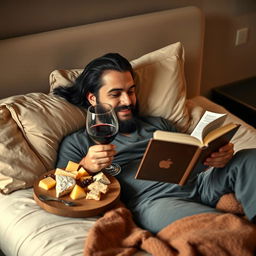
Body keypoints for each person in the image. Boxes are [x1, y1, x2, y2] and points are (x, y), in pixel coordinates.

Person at [54, 53, 256, 234]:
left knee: (249, 157)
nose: (127, 101)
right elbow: (61, 193)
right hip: (155, 201)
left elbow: (190, 156)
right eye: (116, 94)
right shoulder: (78, 142)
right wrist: (85, 166)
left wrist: (219, 156)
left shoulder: (158, 124)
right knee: (223, 231)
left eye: (131, 91)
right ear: (93, 98)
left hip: (202, 182)